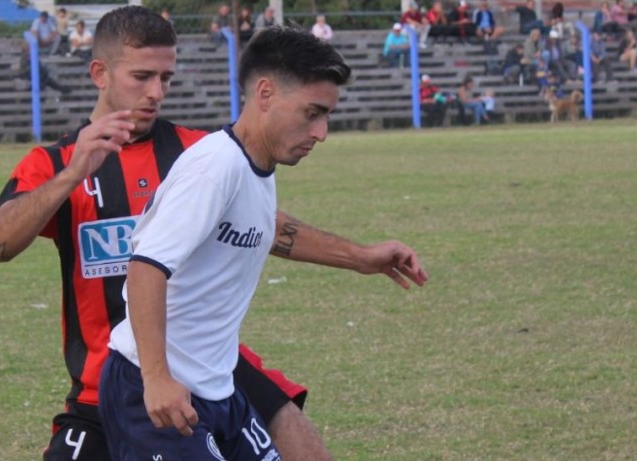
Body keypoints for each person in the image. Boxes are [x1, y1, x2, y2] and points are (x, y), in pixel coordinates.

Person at [0, 6, 398, 461]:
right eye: (142, 76)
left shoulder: (194, 151)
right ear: (99, 73)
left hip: (207, 365)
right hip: (112, 378)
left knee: (293, 430)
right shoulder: (56, 162)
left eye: (166, 78)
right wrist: (72, 175)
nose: (156, 92)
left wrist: (359, 257)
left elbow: (264, 227)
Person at [99, 26, 426, 460]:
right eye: (313, 113)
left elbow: (265, 230)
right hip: (152, 390)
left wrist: (361, 258)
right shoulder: (215, 168)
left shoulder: (255, 165)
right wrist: (157, 379)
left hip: (217, 389)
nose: (322, 131)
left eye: (327, 115)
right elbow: (144, 267)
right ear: (266, 94)